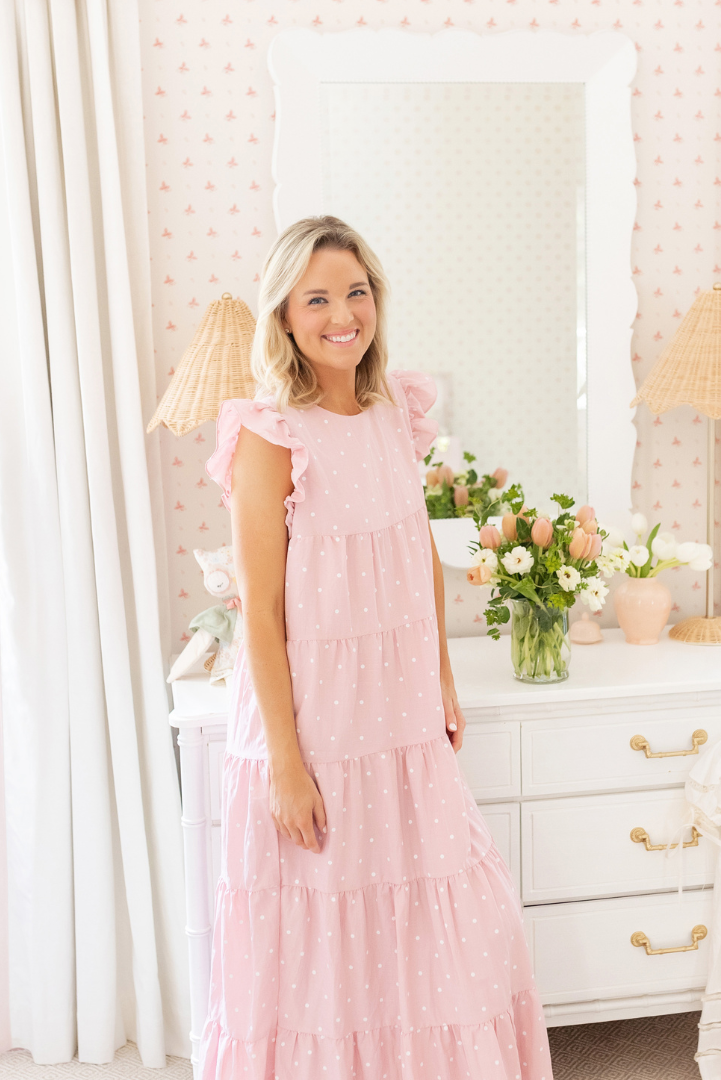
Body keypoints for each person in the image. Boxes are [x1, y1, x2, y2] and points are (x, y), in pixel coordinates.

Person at [200, 215, 553, 1079]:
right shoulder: (269, 434)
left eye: (354, 292)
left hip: (398, 720)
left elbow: (418, 554)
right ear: (283, 315)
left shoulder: (399, 414)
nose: (340, 314)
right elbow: (261, 611)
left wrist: (440, 677)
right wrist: (286, 760)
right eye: (316, 298)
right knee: (320, 942)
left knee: (448, 920)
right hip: (314, 728)